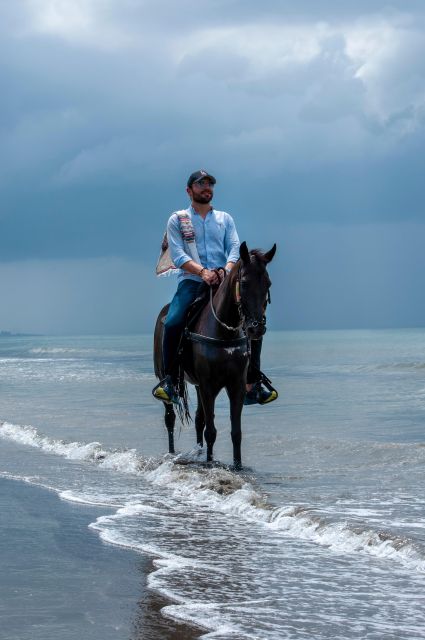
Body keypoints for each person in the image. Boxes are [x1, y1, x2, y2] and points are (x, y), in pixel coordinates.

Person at [153, 169, 277, 406]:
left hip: (223, 281)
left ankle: (253, 382)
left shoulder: (225, 219)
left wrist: (226, 270)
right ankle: (170, 381)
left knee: (254, 317)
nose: (206, 188)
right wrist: (202, 272)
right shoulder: (178, 219)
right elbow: (177, 254)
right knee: (173, 320)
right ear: (189, 191)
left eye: (209, 184)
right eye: (200, 184)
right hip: (191, 280)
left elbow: (233, 247)